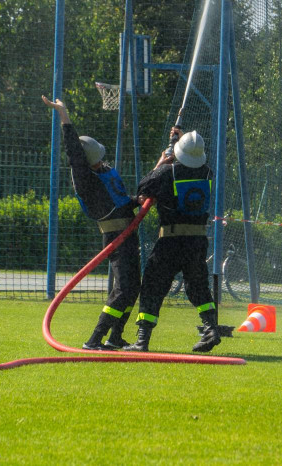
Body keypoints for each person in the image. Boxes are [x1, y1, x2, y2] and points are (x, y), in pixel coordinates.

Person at [42, 95, 140, 351]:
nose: (101, 161)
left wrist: (136, 200)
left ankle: (115, 337)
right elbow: (74, 151)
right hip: (117, 237)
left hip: (127, 234)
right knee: (123, 289)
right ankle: (94, 339)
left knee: (132, 287)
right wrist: (64, 115)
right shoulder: (85, 177)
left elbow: (119, 199)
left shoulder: (101, 171)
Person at [124, 128, 220, 353]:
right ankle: (211, 329)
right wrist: (183, 142)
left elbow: (143, 189)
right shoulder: (207, 173)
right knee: (198, 286)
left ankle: (142, 340)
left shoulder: (167, 172)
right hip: (197, 241)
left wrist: (161, 162)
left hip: (171, 241)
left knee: (152, 287)